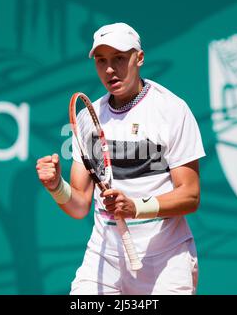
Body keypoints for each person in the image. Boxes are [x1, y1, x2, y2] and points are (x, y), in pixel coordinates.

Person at [36, 22, 205, 295]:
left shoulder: (172, 110)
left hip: (166, 259)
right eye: (101, 61)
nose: (110, 69)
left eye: (119, 58)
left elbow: (190, 196)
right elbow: (79, 205)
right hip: (105, 258)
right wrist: (56, 186)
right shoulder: (88, 119)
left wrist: (136, 207)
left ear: (139, 58)